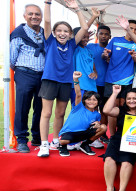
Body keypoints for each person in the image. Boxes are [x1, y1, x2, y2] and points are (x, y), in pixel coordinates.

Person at [37, 0, 89, 157]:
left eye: (66, 31)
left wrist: (77, 10)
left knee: (60, 114)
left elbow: (85, 28)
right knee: (46, 113)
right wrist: (47, 3)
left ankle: (55, 141)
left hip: (66, 83)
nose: (62, 33)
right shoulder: (50, 41)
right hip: (50, 81)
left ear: (70, 34)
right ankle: (44, 144)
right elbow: (47, 21)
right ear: (53, 32)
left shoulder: (72, 44)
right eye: (59, 30)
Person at [102, 85, 136, 191]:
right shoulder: (120, 110)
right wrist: (115, 93)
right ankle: (110, 189)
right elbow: (106, 110)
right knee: (109, 159)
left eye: (134, 98)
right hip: (118, 139)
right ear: (125, 100)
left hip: (134, 142)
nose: (132, 101)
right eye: (129, 98)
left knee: (126, 162)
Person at [10, 4, 45, 153]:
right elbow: (12, 58)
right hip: (25, 73)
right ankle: (22, 139)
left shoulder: (45, 32)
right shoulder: (18, 33)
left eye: (37, 14)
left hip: (43, 76)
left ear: (41, 17)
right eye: (30, 14)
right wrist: (22, 70)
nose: (34, 17)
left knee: (41, 108)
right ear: (25, 16)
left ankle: (37, 137)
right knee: (23, 107)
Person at [102, 18, 136, 136]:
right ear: (125, 28)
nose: (133, 31)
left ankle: (125, 135)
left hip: (128, 81)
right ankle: (113, 136)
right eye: (131, 28)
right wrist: (105, 55)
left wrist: (134, 56)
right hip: (111, 79)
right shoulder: (115, 40)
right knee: (112, 109)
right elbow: (105, 56)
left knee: (126, 108)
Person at [58, 71, 107, 157]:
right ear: (84, 101)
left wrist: (98, 125)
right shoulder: (79, 107)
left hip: (83, 134)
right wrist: (76, 80)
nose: (91, 101)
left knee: (103, 127)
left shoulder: (97, 114)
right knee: (63, 141)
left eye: (94, 100)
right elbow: (78, 95)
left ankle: (84, 144)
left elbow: (94, 125)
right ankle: (62, 146)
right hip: (70, 133)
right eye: (89, 99)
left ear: (98, 102)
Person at [87, 25, 112, 144]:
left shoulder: (112, 49)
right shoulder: (90, 47)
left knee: (105, 110)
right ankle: (91, 133)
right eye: (101, 33)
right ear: (97, 35)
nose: (103, 36)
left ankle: (102, 134)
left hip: (107, 84)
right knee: (92, 109)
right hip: (91, 83)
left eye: (106, 34)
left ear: (110, 36)